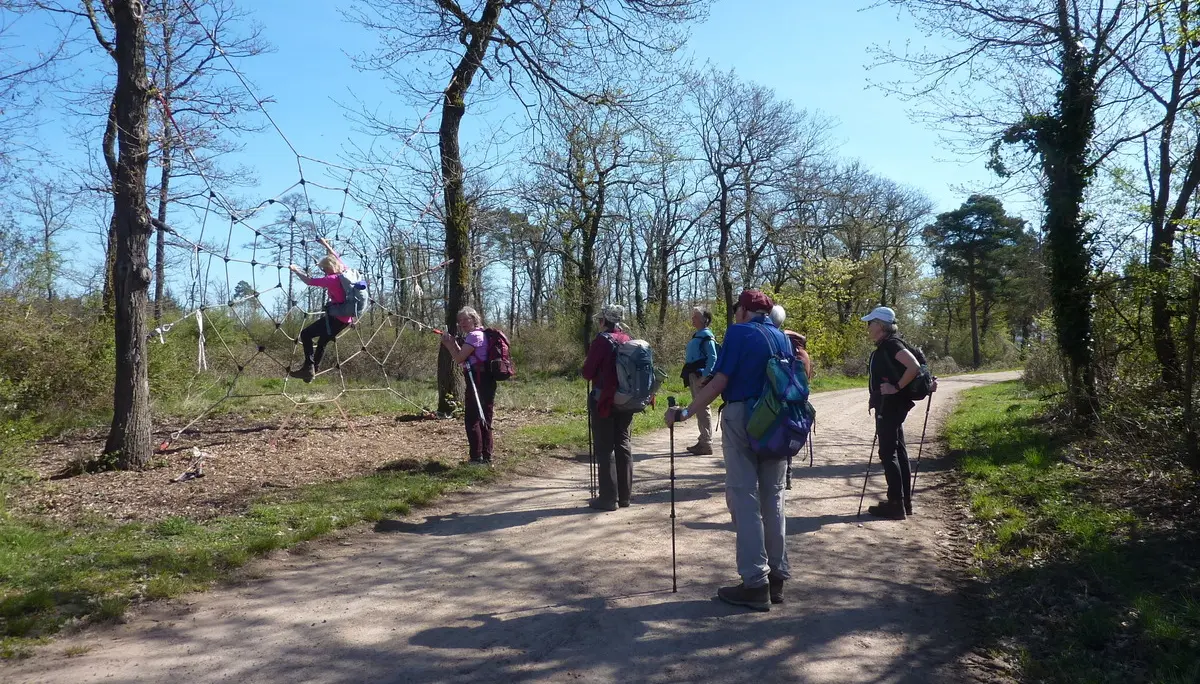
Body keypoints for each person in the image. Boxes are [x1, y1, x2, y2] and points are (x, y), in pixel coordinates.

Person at [667, 289, 792, 611]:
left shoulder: (739, 332)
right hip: (778, 420)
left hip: (743, 418)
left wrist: (685, 413)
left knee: (744, 496)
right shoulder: (781, 337)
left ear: (744, 310)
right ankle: (776, 577)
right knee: (773, 497)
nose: (734, 313)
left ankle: (755, 583)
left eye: (737, 308)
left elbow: (719, 381)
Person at [863, 306, 924, 520]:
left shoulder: (891, 345)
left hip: (890, 405)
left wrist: (895, 387)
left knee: (888, 453)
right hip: (892, 405)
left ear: (880, 325)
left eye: (870, 323)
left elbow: (914, 366)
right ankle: (903, 502)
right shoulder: (889, 344)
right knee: (898, 451)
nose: (868, 326)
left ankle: (896, 503)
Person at [581, 304, 633, 511]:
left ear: (603, 320)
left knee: (604, 447)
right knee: (623, 443)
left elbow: (587, 372)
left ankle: (608, 499)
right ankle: (625, 497)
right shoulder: (627, 339)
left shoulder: (602, 341)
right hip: (626, 400)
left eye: (599, 319)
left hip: (605, 400)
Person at [288, 238, 354, 383]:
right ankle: (312, 371)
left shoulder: (330, 279)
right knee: (322, 341)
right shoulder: (345, 271)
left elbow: (309, 281)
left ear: (329, 268)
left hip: (336, 318)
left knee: (305, 334)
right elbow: (335, 255)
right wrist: (325, 244)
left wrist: (295, 270)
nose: (323, 271)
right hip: (347, 319)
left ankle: (309, 368)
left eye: (324, 269)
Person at [441, 306, 496, 465]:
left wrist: (449, 344)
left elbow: (459, 359)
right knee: (485, 416)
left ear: (474, 319)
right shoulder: (483, 334)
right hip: (487, 379)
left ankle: (476, 457)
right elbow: (466, 357)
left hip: (478, 380)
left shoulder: (473, 336)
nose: (462, 323)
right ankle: (486, 456)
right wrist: (454, 344)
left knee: (473, 419)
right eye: (460, 321)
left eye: (466, 319)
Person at [681, 306, 719, 455]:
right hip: (694, 375)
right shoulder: (698, 335)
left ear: (704, 320)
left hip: (700, 376)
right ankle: (703, 440)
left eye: (695, 316)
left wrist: (705, 377)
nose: (693, 319)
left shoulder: (707, 336)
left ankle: (706, 442)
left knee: (702, 407)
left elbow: (713, 357)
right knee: (699, 407)